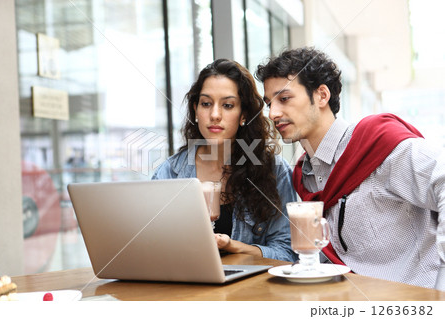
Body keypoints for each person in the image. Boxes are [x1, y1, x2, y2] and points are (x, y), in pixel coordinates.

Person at [255, 47, 445, 290]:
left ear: (322, 95)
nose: (273, 113)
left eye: (284, 99)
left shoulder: (377, 143)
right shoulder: (304, 176)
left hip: (416, 298)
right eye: (269, 103)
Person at [152, 59, 297, 262]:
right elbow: (153, 249)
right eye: (206, 104)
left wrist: (235, 247)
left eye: (228, 105)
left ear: (243, 115)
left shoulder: (274, 171)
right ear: (195, 110)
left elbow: (287, 253)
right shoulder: (168, 174)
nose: (215, 115)